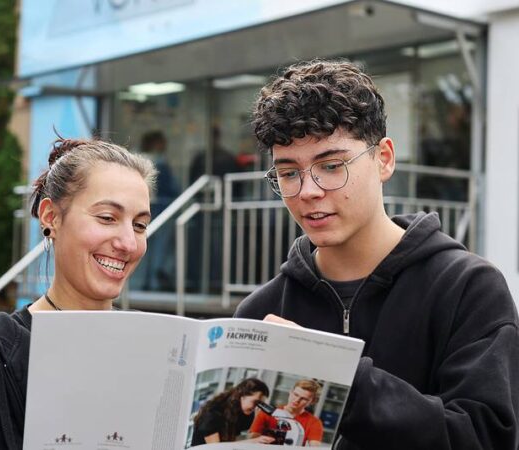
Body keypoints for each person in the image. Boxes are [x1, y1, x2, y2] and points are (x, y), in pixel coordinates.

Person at [234, 59, 519, 449]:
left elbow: (483, 438)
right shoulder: (261, 311)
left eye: (331, 166)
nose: (308, 191)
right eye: (288, 173)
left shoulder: (468, 288)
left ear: (383, 159)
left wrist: (334, 376)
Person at [0, 137, 156, 450]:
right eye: (107, 218)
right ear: (51, 217)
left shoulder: (155, 343)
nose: (128, 243)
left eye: (140, 225)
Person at [135, 130, 179, 290]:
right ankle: (154, 283)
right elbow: (171, 189)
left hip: (144, 210)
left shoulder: (137, 161)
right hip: (161, 210)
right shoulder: (159, 163)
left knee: (145, 248)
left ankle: (141, 283)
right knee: (159, 248)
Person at [190, 377, 273, 446]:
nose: (256, 407)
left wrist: (256, 437)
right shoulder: (212, 413)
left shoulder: (242, 413)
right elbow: (216, 448)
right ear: (242, 396)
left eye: (260, 404)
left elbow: (231, 440)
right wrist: (252, 441)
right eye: (255, 402)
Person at [249, 379, 324, 446]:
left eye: (304, 398)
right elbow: (251, 441)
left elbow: (315, 447)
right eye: (295, 394)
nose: (297, 400)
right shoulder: (266, 413)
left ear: (312, 401)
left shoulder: (314, 423)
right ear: (291, 392)